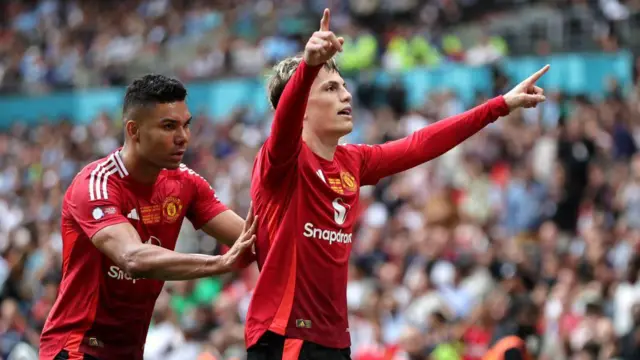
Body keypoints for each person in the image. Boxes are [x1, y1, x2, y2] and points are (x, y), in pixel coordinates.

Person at [244, 8, 549, 360]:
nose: (346, 95)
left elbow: (421, 143)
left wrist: (500, 106)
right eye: (331, 88)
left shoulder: (353, 161)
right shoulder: (279, 162)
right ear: (301, 108)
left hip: (335, 341)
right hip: (284, 337)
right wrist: (309, 64)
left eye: (344, 86)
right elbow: (283, 127)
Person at [39, 74, 257, 360]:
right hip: (76, 348)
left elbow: (254, 241)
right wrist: (219, 263)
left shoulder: (186, 183)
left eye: (186, 125)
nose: (183, 137)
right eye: (169, 126)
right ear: (134, 130)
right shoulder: (96, 184)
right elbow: (133, 258)